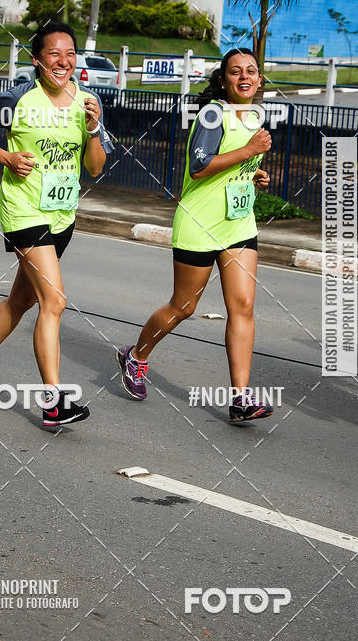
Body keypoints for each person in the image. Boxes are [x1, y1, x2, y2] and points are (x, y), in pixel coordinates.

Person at [0, 22, 113, 427]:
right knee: (54, 300)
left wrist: (93, 129)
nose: (63, 61)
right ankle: (54, 400)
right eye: (54, 54)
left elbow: (95, 168)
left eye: (70, 54)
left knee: (22, 301)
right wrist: (5, 157)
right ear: (37, 59)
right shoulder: (20, 96)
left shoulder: (89, 102)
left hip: (62, 215)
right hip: (24, 211)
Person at [116, 47, 273, 423]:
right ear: (222, 80)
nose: (245, 77)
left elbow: (231, 165)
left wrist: (253, 173)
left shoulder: (251, 117)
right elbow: (200, 166)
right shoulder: (213, 114)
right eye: (235, 72)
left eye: (251, 71)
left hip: (238, 223)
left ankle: (240, 398)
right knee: (184, 307)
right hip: (200, 225)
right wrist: (250, 150)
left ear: (260, 79)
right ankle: (135, 357)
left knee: (243, 307)